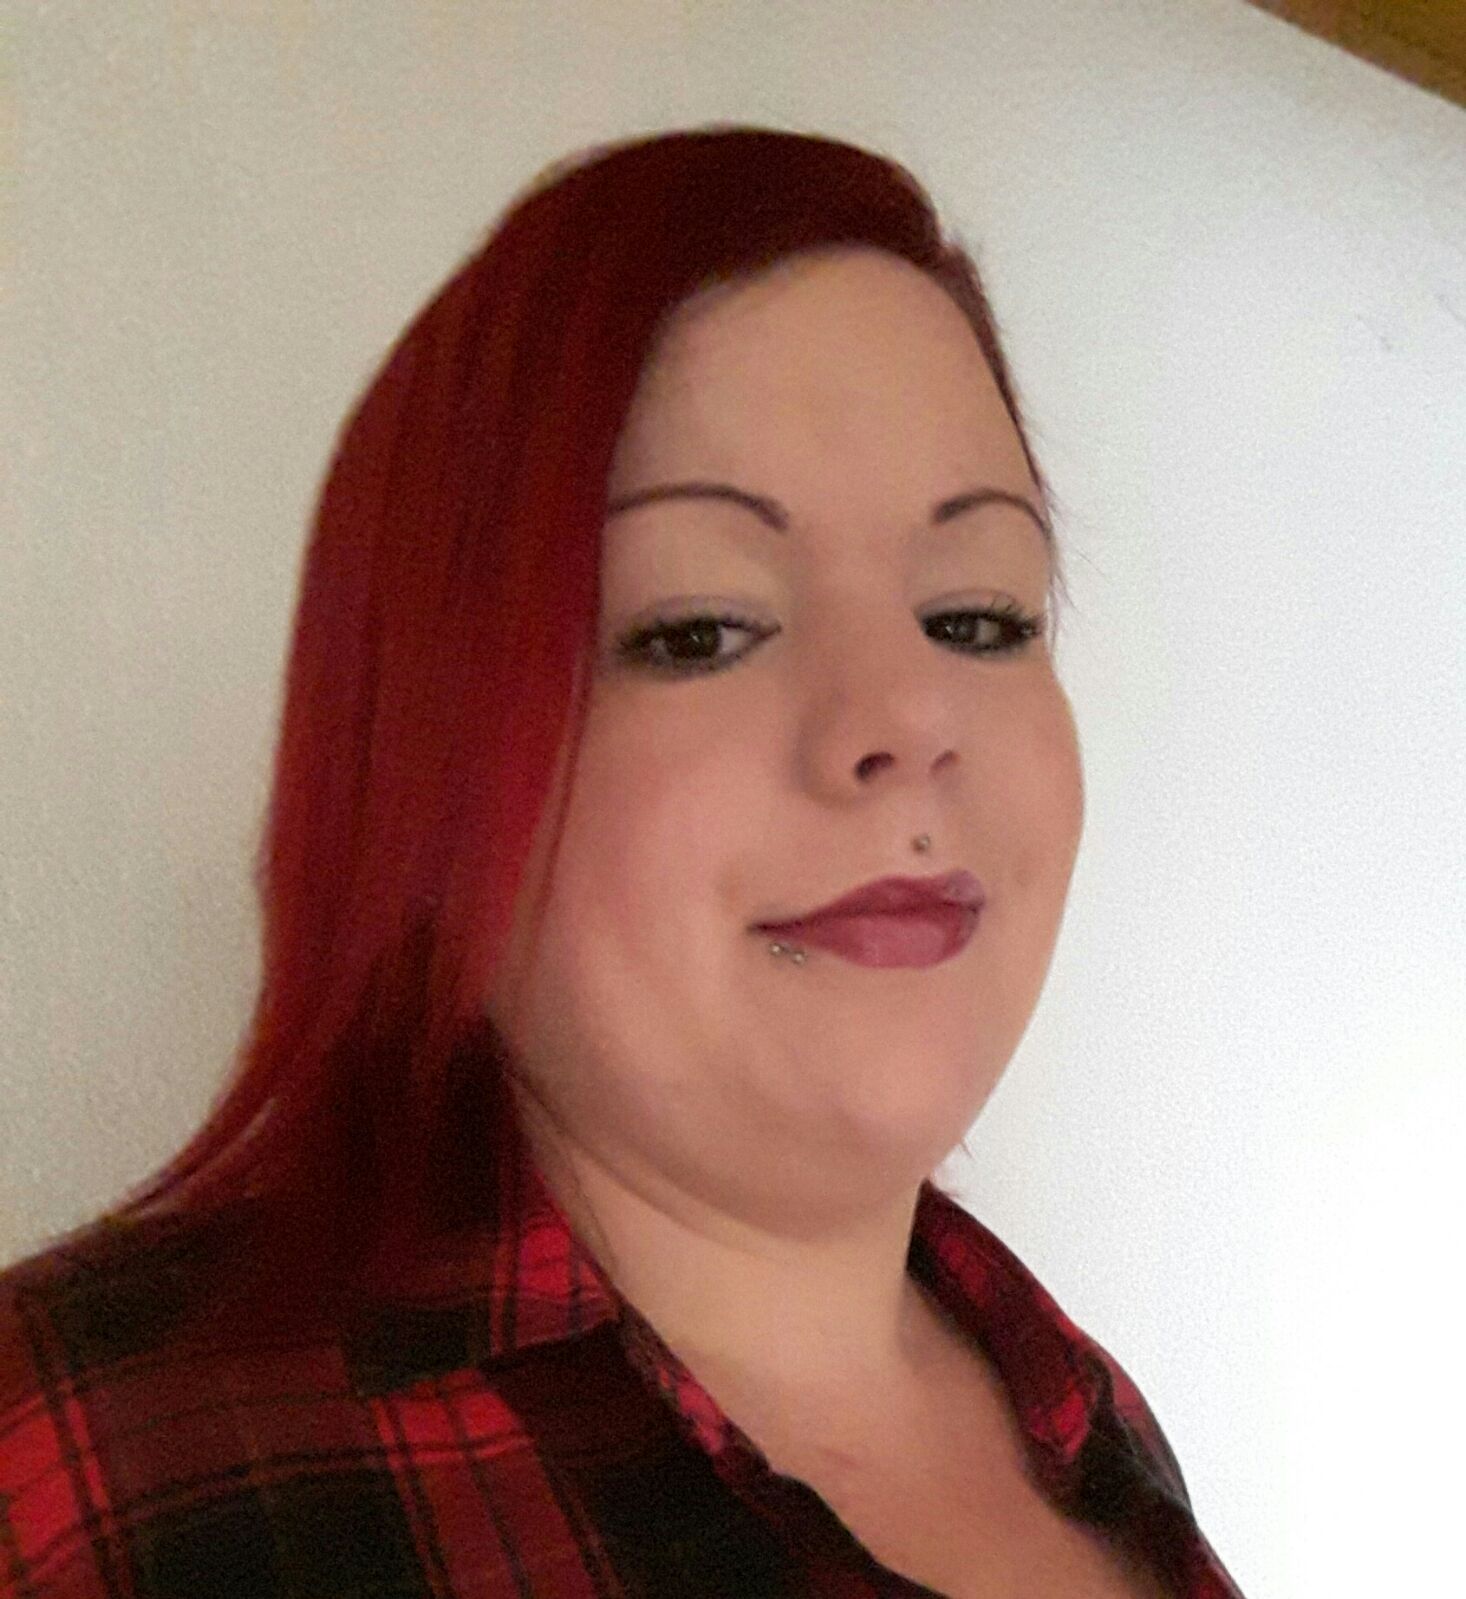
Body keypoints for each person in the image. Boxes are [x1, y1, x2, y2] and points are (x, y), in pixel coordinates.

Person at [0, 125, 1246, 1598]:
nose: (907, 717)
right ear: (432, 756)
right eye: (699, 628)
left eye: (977, 617)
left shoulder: (1088, 1424)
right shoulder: (82, 1470)